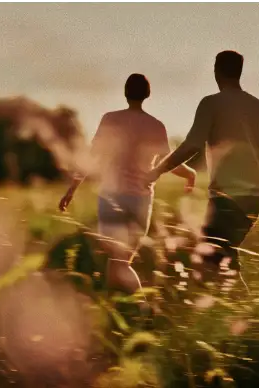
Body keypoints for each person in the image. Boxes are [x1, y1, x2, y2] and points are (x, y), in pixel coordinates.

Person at [147, 50, 259, 286]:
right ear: (239, 72)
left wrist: (157, 170)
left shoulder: (211, 104)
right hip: (254, 199)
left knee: (210, 259)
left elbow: (191, 145)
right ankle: (241, 311)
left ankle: (236, 313)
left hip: (226, 198)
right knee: (225, 257)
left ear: (216, 72)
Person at [59, 73, 197, 294]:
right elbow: (169, 162)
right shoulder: (156, 126)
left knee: (118, 262)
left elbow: (92, 156)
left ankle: (140, 307)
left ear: (125, 93)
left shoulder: (110, 119)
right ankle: (124, 309)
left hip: (110, 197)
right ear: (147, 94)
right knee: (120, 262)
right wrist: (190, 175)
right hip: (140, 201)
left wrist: (72, 189)